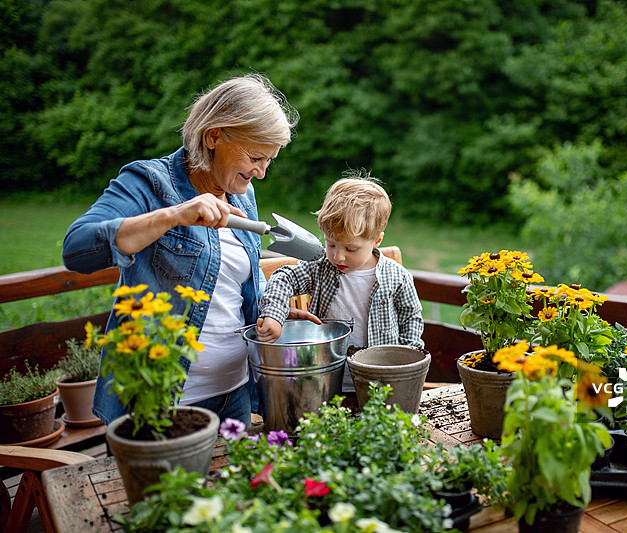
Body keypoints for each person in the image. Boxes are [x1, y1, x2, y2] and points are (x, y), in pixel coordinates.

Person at [62, 73, 300, 427]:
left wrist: (275, 310)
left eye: (268, 160)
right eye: (255, 156)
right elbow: (76, 249)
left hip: (236, 392)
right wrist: (174, 216)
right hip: (163, 401)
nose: (261, 172)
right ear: (214, 135)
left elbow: (232, 281)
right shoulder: (148, 183)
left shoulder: (242, 192)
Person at [256, 171, 425, 394]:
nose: (338, 256)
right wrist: (274, 314)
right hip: (325, 380)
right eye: (331, 244)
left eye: (351, 248)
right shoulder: (320, 267)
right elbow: (283, 278)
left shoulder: (397, 276)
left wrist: (406, 365)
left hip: (380, 382)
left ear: (377, 240)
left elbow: (411, 319)